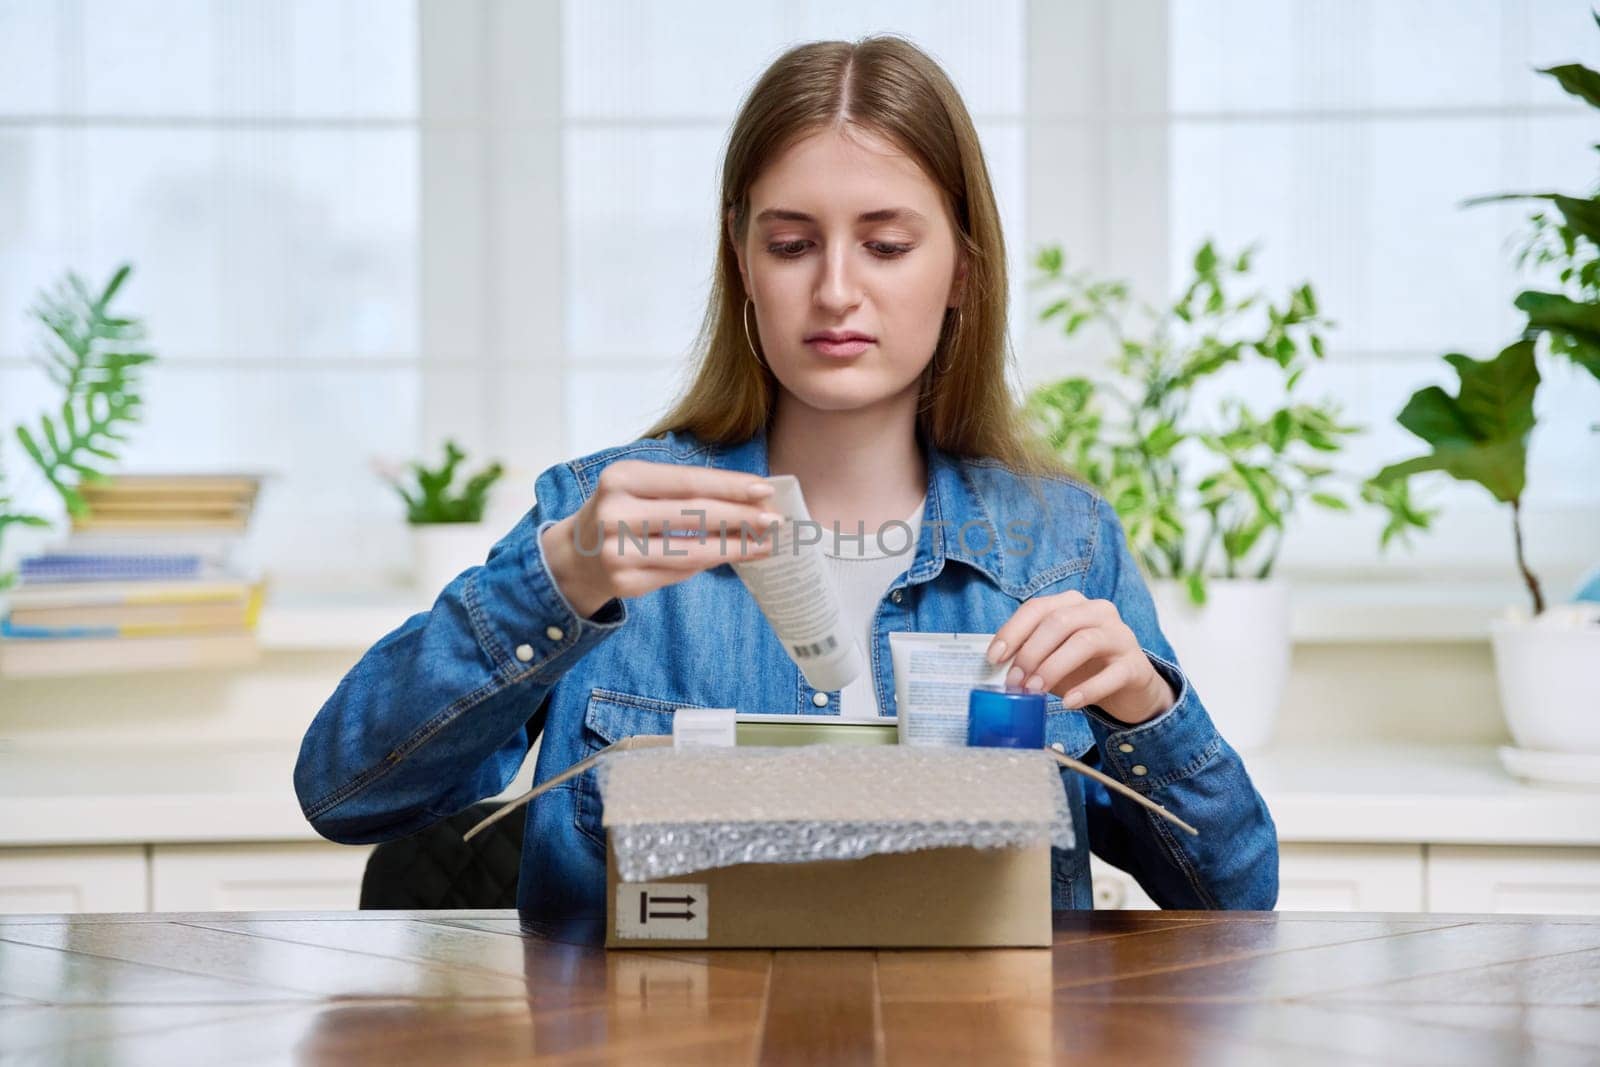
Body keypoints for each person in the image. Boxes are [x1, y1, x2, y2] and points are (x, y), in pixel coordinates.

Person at [294, 35, 1279, 915]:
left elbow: (1233, 894)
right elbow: (346, 792)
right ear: (741, 259)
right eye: (791, 244)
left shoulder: (1061, 547)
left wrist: (1145, 705)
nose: (837, 288)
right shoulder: (601, 523)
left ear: (962, 274)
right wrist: (554, 583)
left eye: (887, 245)